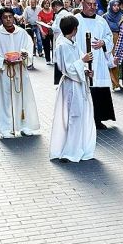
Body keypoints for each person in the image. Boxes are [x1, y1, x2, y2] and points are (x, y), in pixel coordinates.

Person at [0, 7, 42, 138]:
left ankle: (25, 125)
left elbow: (28, 47)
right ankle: (6, 128)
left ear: (13, 17)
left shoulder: (21, 33)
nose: (8, 19)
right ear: (1, 19)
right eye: (5, 17)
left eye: (10, 17)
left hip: (20, 69)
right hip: (4, 71)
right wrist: (3, 60)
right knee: (5, 99)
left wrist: (24, 54)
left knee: (23, 97)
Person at [49, 16, 97, 162]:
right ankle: (69, 151)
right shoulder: (62, 45)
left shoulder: (73, 43)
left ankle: (79, 147)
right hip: (70, 85)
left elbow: (78, 63)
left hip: (79, 84)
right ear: (74, 29)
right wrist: (82, 61)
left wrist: (85, 70)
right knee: (73, 117)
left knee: (80, 116)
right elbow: (65, 68)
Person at [74, 0, 116, 129]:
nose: (92, 7)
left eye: (94, 5)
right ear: (82, 4)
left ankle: (98, 119)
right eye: (89, 4)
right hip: (82, 59)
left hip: (98, 60)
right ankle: (83, 120)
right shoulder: (76, 20)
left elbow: (109, 36)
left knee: (98, 89)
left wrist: (103, 43)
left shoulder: (101, 21)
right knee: (84, 89)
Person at [103, 0, 123, 92]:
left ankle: (117, 82)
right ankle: (114, 83)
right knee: (112, 61)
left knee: (118, 61)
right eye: (114, 6)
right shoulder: (105, 17)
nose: (116, 8)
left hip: (120, 39)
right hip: (110, 39)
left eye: (117, 5)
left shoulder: (121, 16)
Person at [51, 0, 71, 84]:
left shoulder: (60, 15)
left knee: (59, 59)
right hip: (65, 39)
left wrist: (52, 25)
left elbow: (57, 28)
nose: (53, 10)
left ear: (56, 6)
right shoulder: (67, 13)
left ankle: (59, 80)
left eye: (53, 8)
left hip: (60, 38)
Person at [38, 0, 55, 65]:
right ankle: (48, 59)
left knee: (54, 45)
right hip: (44, 30)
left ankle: (54, 59)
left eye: (48, 3)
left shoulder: (52, 11)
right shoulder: (41, 12)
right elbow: (39, 23)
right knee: (46, 45)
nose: (47, 5)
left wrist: (52, 22)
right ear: (43, 5)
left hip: (52, 30)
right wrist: (41, 31)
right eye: (45, 3)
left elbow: (55, 19)